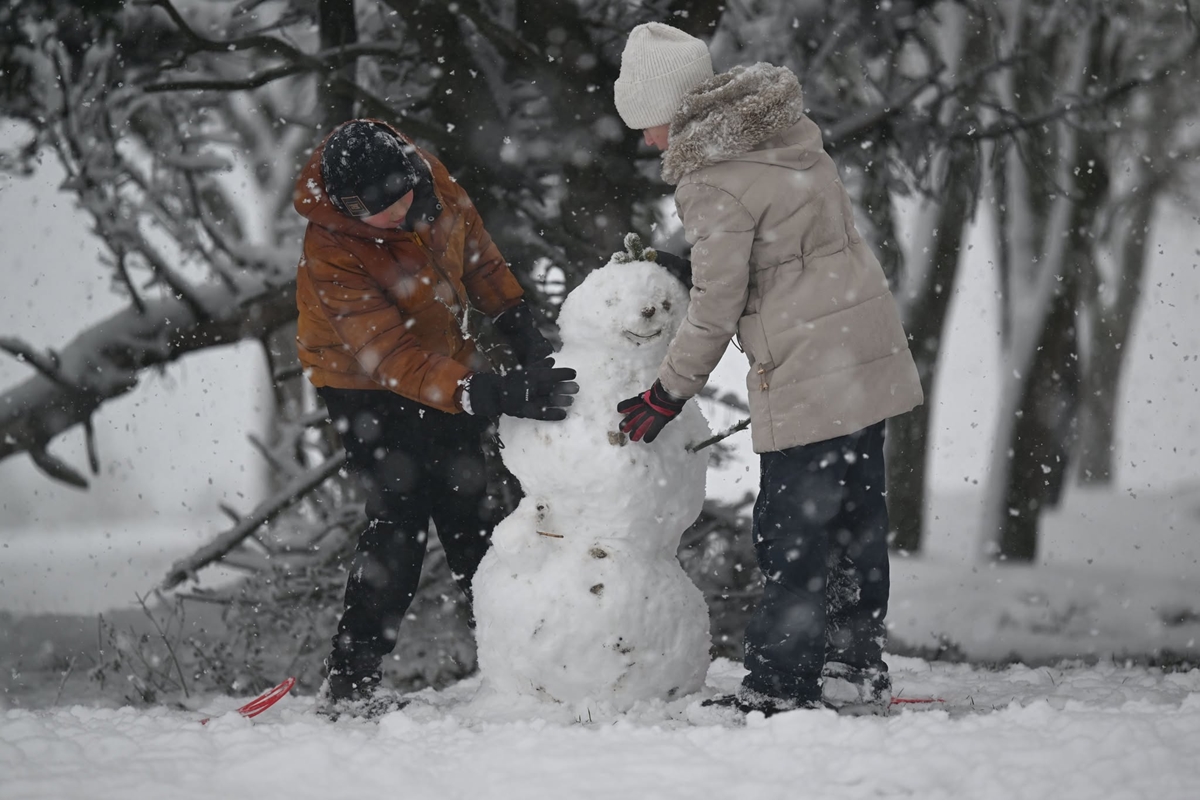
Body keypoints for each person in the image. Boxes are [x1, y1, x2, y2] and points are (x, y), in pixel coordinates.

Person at [611, 23, 924, 716]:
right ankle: (852, 664)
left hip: (811, 363)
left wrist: (666, 392)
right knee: (854, 518)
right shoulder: (779, 132)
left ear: (669, 109)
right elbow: (785, 243)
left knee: (794, 530)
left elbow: (719, 305)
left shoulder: (708, 177)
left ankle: (780, 685)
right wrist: (686, 264)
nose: (646, 141)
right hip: (860, 346)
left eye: (647, 124)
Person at [293, 119, 578, 718]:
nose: (398, 219)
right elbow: (389, 357)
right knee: (399, 516)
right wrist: (482, 391)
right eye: (382, 215)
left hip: (440, 363)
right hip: (360, 382)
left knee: (471, 509)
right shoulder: (331, 247)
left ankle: (519, 668)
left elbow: (474, 251)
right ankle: (351, 681)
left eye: (404, 203)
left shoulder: (430, 176)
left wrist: (515, 317)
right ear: (350, 207)